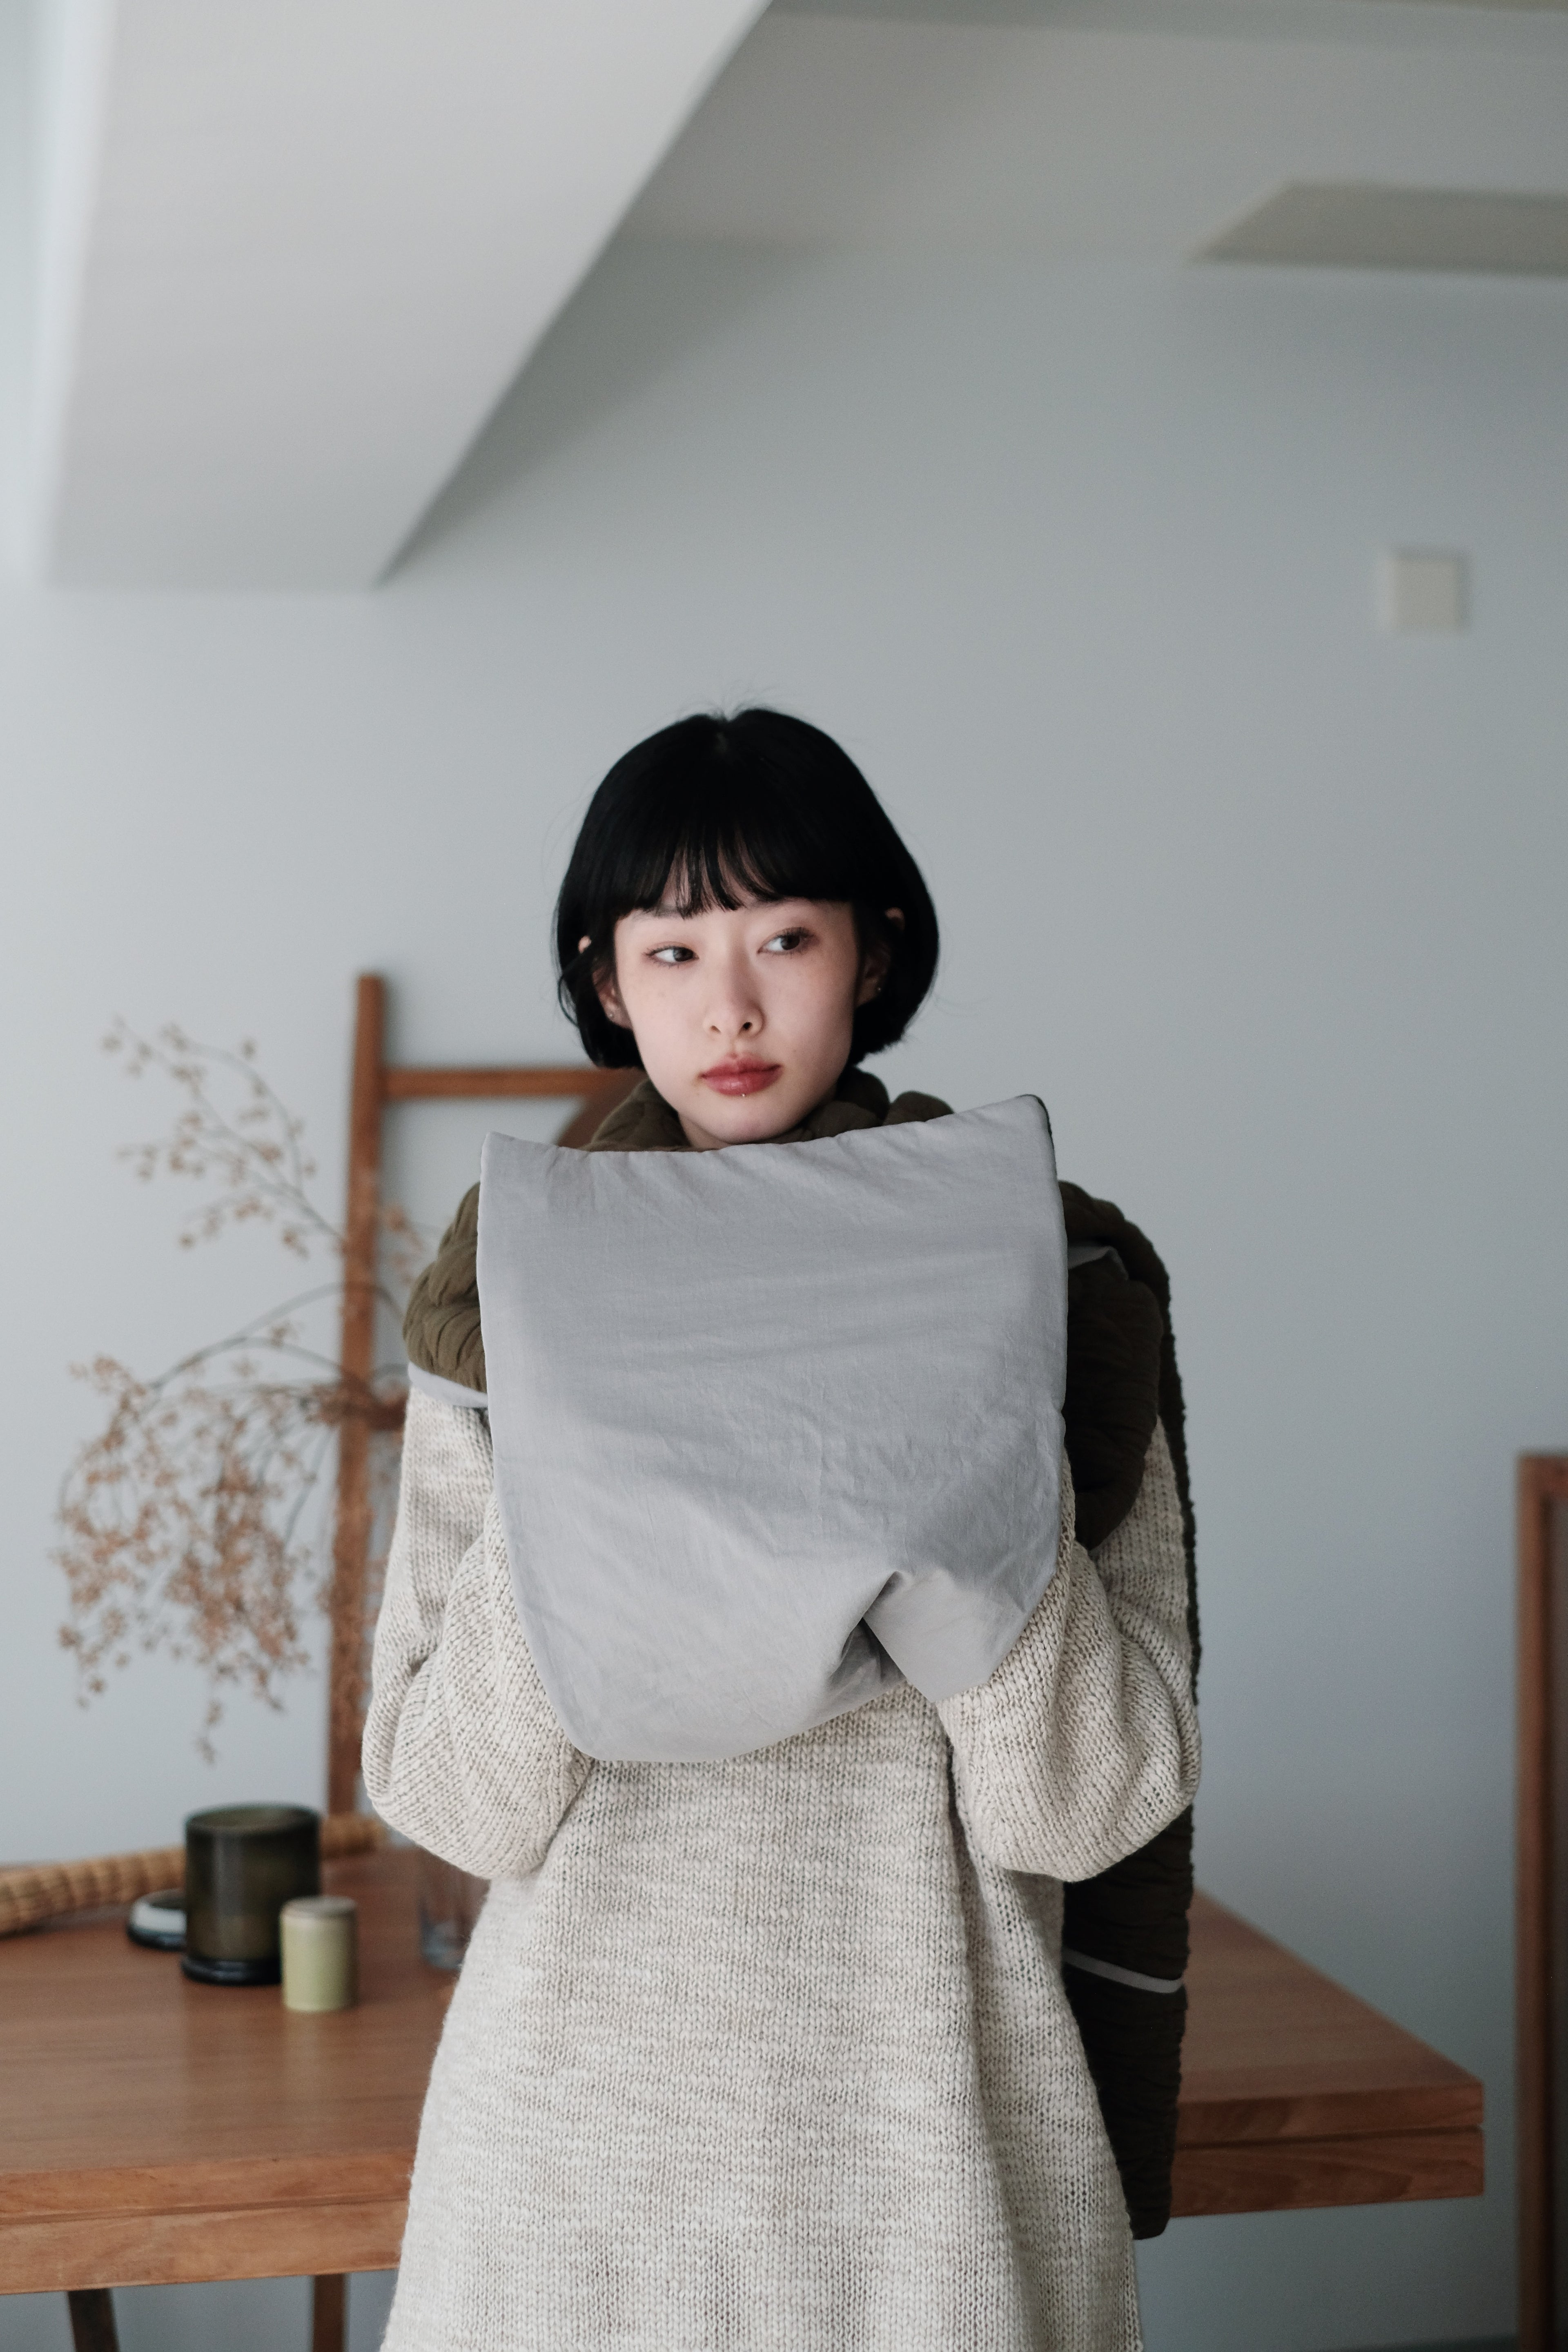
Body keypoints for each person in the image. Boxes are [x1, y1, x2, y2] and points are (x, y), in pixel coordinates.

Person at [364, 707, 1200, 2352]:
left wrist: (959, 1453)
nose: (730, 1004)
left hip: (936, 2193)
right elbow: (455, 1799)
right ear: (610, 983)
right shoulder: (508, 1297)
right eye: (672, 950)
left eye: (785, 939)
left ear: (871, 953)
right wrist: (592, 1446)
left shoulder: (1048, 1283)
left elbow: (1087, 1805)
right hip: (566, 2202)